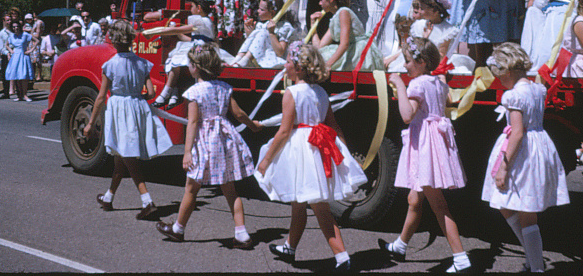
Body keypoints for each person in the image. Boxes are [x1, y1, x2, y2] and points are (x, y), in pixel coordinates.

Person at [257, 42, 366, 273]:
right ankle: (289, 247)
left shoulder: (292, 93)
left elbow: (284, 131)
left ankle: (342, 256)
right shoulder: (321, 92)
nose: (284, 65)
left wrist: (266, 159)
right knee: (299, 203)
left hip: (302, 149)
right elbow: (333, 126)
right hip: (318, 148)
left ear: (298, 68)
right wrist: (345, 153)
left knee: (319, 207)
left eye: (288, 61)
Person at [156, 43, 262, 248]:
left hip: (204, 143)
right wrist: (253, 125)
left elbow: (193, 123)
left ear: (196, 67)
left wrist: (187, 152)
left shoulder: (194, 92)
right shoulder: (224, 87)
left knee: (191, 188)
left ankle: (178, 229)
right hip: (223, 140)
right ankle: (242, 234)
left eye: (190, 63)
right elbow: (238, 114)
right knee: (230, 188)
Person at [381, 37, 470, 273]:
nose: (405, 66)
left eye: (408, 61)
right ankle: (400, 245)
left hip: (426, 146)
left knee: (439, 205)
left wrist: (400, 85)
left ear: (421, 62)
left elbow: (407, 115)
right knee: (414, 198)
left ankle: (460, 257)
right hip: (434, 143)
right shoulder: (439, 82)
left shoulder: (417, 84)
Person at [482, 43, 569, 273]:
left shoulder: (514, 95)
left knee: (526, 211)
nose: (498, 80)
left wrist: (504, 167)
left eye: (499, 75)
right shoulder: (536, 89)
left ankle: (537, 267)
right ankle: (533, 256)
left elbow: (518, 132)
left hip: (522, 153)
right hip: (539, 146)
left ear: (508, 71)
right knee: (505, 202)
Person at [83, 20, 172, 220]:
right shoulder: (142, 63)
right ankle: (108, 197)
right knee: (120, 157)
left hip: (119, 109)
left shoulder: (110, 65)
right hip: (137, 107)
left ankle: (147, 200)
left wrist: (90, 123)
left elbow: (100, 97)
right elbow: (150, 92)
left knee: (127, 156)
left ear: (114, 40)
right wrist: (137, 95)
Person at [153, 0, 234, 109]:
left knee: (182, 58)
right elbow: (191, 38)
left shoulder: (203, 21)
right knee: (175, 58)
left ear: (199, 8)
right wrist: (176, 31)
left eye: (192, 6)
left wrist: (163, 30)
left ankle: (166, 92)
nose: (191, 9)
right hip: (196, 45)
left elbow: (186, 29)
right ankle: (173, 93)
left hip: (203, 49)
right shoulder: (203, 22)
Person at [312, 0, 384, 71]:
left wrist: (328, 64)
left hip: (358, 52)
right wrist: (313, 25)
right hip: (349, 49)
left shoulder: (343, 12)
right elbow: (319, 47)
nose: (319, 3)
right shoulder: (335, 18)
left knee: (324, 60)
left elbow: (344, 44)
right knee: (319, 56)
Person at [410, 0, 475, 74]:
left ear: (435, 11)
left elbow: (441, 56)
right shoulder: (419, 25)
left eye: (422, 8)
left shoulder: (447, 30)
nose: (420, 11)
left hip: (435, 64)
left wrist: (426, 39)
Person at [232, 0, 299, 68]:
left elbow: (280, 52)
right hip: (262, 57)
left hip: (275, 60)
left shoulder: (284, 27)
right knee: (259, 31)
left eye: (262, 9)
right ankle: (238, 58)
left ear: (272, 12)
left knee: (263, 32)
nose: (258, 11)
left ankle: (245, 60)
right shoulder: (263, 24)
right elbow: (256, 45)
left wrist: (271, 33)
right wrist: (250, 33)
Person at [5, 20, 33, 102]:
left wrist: (30, 50)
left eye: (16, 26)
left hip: (23, 55)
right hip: (15, 56)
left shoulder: (25, 35)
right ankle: (19, 95)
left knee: (23, 76)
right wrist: (11, 50)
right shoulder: (12, 36)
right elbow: (6, 45)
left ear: (19, 27)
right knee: (16, 76)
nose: (15, 28)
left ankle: (25, 95)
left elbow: (36, 41)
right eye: (13, 27)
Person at [0, 14, 13, 98]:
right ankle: (6, 92)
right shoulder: (1, 33)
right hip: (6, 55)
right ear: (4, 21)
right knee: (5, 74)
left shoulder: (13, 31)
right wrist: (7, 53)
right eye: (7, 20)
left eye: (10, 20)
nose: (9, 22)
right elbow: (1, 48)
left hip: (14, 54)